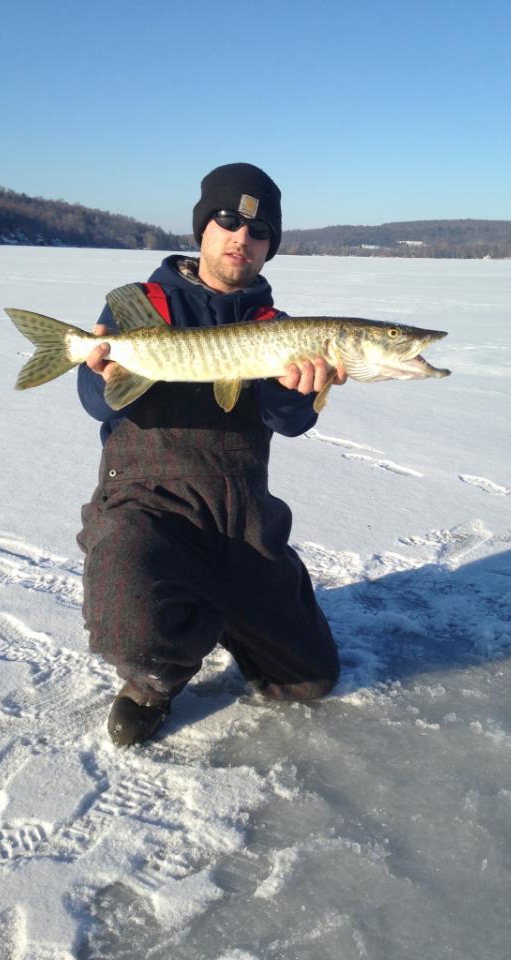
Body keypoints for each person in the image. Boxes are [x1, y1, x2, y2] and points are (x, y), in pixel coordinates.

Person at [77, 162, 345, 746]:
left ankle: (232, 610)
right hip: (148, 507)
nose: (241, 238)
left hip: (240, 515)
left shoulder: (278, 329)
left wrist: (296, 390)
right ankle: (155, 678)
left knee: (311, 680)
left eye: (260, 231)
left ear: (270, 247)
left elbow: (288, 422)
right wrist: (101, 375)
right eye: (228, 220)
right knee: (128, 614)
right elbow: (97, 405)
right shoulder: (140, 305)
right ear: (203, 227)